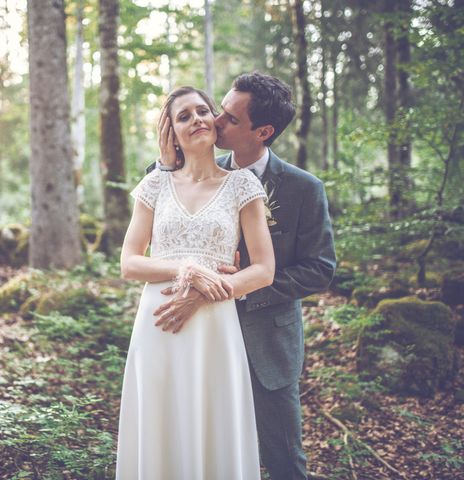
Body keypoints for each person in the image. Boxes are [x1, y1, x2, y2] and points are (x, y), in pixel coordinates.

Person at [154, 72, 337, 480]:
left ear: (264, 131)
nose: (216, 121)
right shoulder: (190, 170)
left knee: (283, 458)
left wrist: (237, 290)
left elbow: (320, 269)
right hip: (198, 336)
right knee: (206, 452)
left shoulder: (303, 190)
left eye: (231, 119)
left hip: (265, 342)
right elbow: (158, 200)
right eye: (219, 109)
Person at [116, 86, 275, 479]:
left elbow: (264, 270)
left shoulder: (242, 186)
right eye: (184, 116)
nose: (197, 120)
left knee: (212, 422)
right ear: (172, 131)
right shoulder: (154, 184)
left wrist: (208, 290)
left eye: (203, 111)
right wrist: (186, 267)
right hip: (158, 322)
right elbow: (129, 262)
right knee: (162, 425)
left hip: (215, 326)